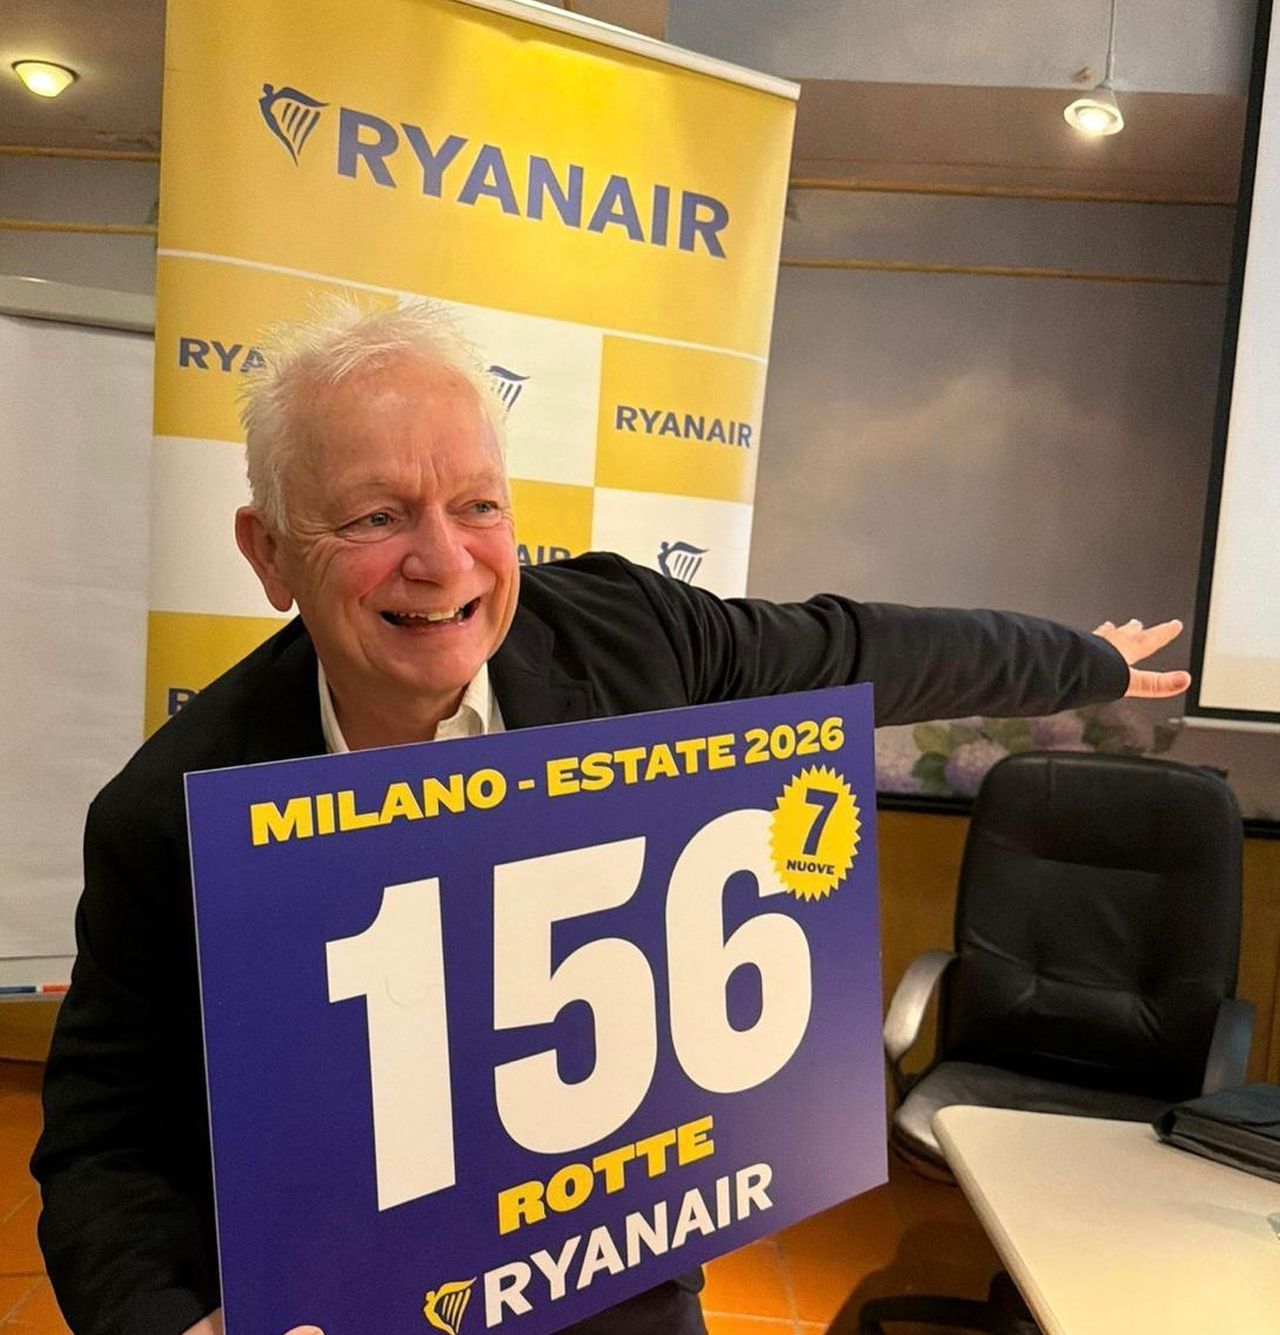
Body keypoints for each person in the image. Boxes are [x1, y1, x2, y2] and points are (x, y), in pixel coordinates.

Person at [31, 300, 1190, 1335]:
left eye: (477, 505)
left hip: (613, 1288)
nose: (443, 560)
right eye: (377, 516)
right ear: (270, 553)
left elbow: (856, 649)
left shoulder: (630, 640)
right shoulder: (168, 817)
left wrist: (1077, 664)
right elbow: (109, 1141)